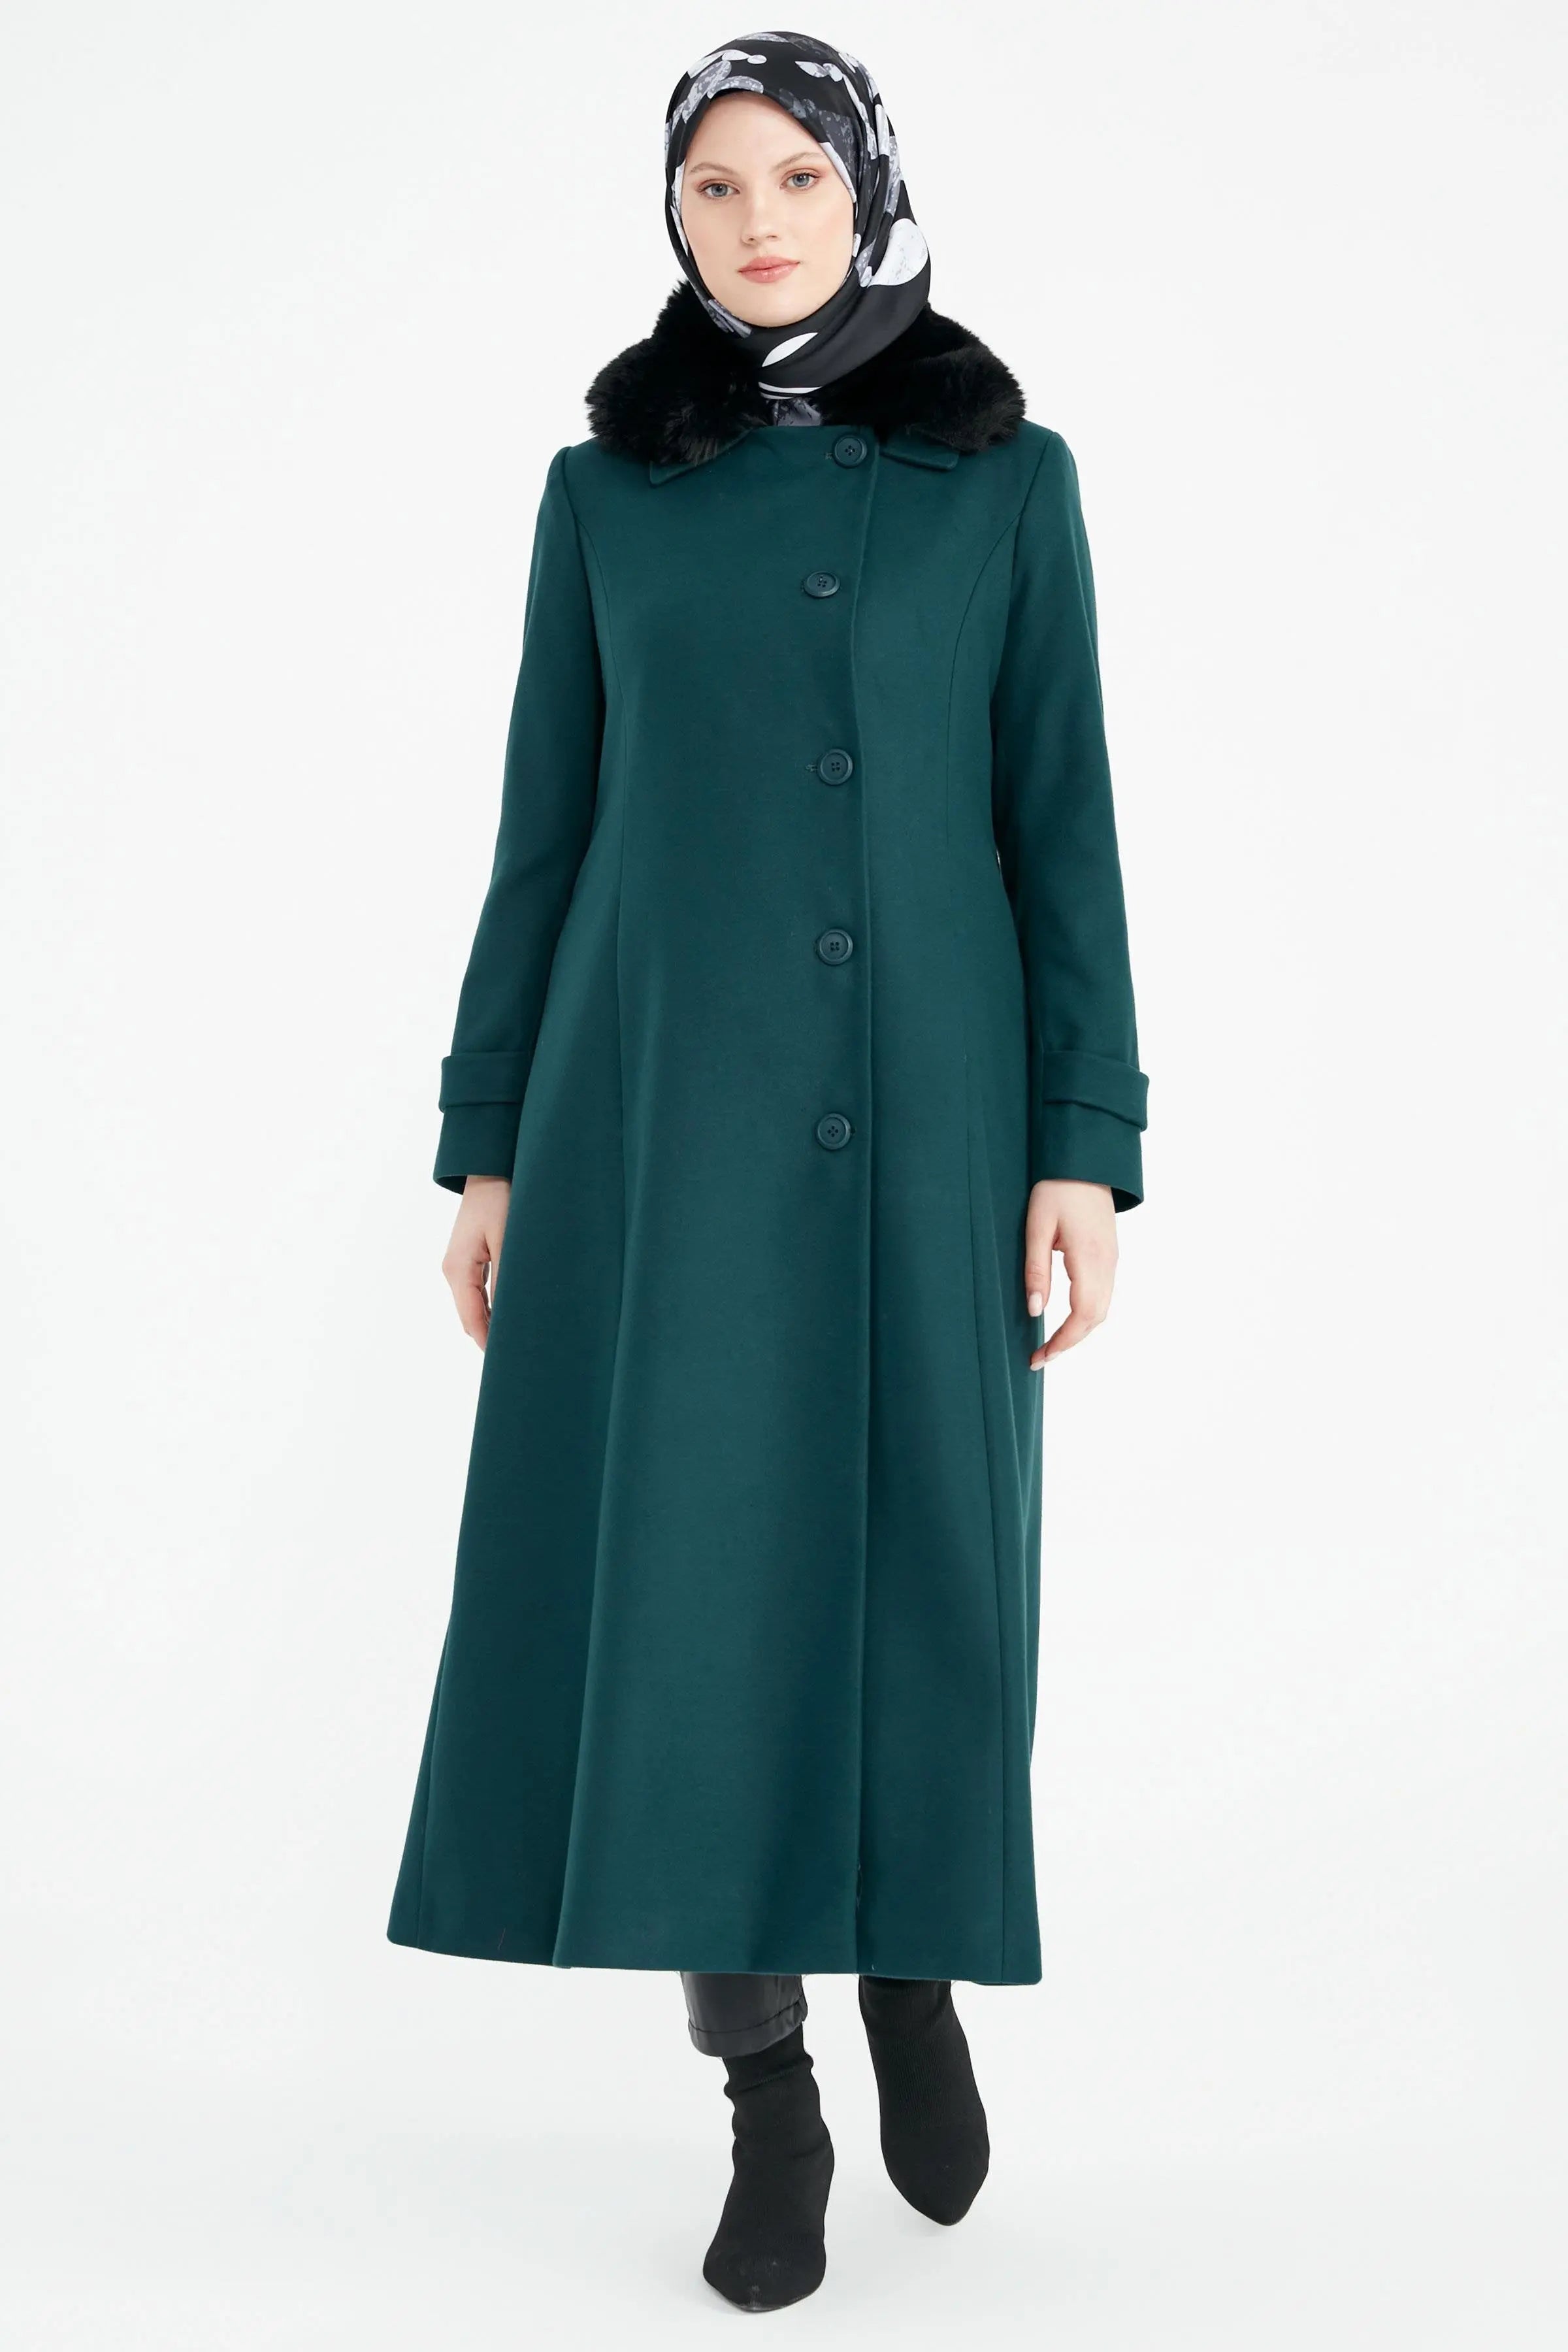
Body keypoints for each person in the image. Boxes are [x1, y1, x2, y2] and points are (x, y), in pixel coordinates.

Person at [387, 29, 1149, 2314]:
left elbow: (1063, 830)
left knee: (927, 1566)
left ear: (867, 189)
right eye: (713, 186)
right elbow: (546, 835)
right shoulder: (607, 492)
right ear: (676, 217)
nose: (755, 222)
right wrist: (489, 1145)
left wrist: (1086, 1146)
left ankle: (910, 1967)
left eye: (794, 176)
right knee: (690, 1607)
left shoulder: (1005, 480)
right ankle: (768, 2093)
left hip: (934, 1129)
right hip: (659, 1127)